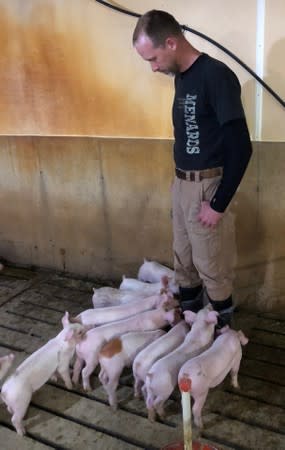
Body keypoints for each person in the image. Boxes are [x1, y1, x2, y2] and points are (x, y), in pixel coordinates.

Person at [132, 10, 252, 327]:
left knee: (211, 266)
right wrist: (180, 176)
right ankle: (188, 331)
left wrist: (218, 203)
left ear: (171, 43)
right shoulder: (183, 78)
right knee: (183, 262)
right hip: (183, 184)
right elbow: (188, 132)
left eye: (153, 59)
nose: (154, 68)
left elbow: (241, 147)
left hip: (209, 187)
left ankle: (221, 337)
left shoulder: (216, 76)